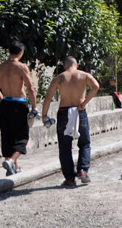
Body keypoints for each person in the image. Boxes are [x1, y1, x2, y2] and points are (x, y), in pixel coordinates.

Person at [41, 57, 99, 186]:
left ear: (64, 66)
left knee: (65, 146)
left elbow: (47, 98)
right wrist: (84, 103)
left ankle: (70, 178)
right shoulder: (84, 75)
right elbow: (96, 86)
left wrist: (44, 115)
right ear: (77, 65)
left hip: (64, 112)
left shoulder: (59, 78)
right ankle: (83, 170)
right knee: (84, 143)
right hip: (79, 110)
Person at [0, 41, 37, 176]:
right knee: (22, 136)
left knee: (7, 135)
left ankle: (12, 167)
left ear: (8, 51)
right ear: (21, 52)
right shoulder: (21, 67)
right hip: (19, 104)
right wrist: (35, 107)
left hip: (5, 103)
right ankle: (12, 160)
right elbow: (30, 88)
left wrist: (5, 102)